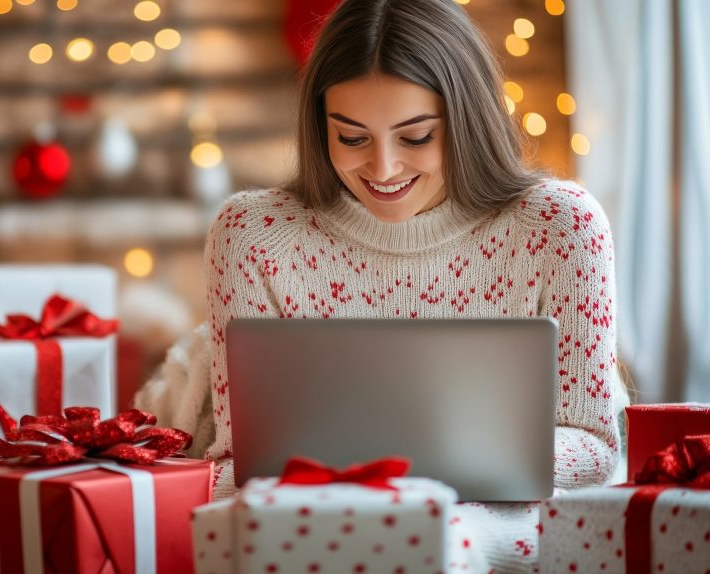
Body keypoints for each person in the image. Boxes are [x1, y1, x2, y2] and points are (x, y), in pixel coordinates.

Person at [137, 0, 627, 570]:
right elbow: (235, 467)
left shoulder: (561, 226)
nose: (384, 168)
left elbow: (594, 449)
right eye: (352, 138)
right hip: (315, 527)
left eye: (415, 137)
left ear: (466, 119)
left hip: (496, 528)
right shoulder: (253, 236)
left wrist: (414, 478)